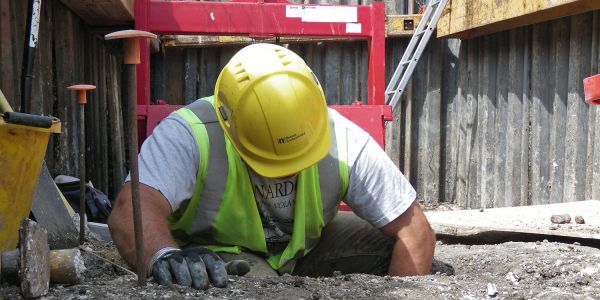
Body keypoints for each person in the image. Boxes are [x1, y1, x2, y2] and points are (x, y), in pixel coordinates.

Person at [108, 43, 436, 290]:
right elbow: (130, 210)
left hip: (304, 248)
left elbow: (416, 231)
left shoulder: (345, 139)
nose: (288, 172)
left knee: (397, 247)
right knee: (256, 288)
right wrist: (163, 255)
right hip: (221, 253)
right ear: (229, 126)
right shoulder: (190, 134)